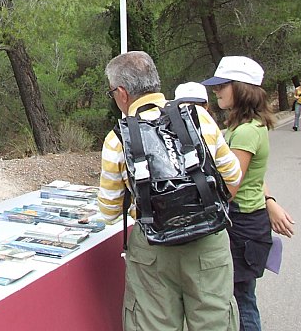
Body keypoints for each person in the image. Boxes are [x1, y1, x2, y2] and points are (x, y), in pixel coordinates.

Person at [99, 51, 243, 331]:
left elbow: (108, 212)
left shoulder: (117, 139)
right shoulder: (197, 116)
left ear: (122, 92)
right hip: (207, 241)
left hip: (152, 250)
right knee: (215, 322)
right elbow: (233, 176)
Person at [202, 56, 295, 331]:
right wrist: (269, 201)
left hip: (241, 224)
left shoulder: (243, 132)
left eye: (223, 85)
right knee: (241, 296)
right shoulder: (243, 127)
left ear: (241, 89)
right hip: (248, 221)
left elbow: (231, 188)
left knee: (241, 299)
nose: (216, 91)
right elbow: (254, 177)